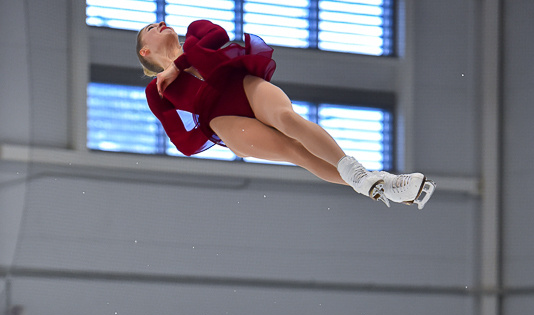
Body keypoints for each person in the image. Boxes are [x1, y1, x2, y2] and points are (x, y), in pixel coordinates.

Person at [136, 19, 435, 209]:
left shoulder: (196, 33)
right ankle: (380, 184)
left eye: (159, 22)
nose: (160, 23)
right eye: (150, 29)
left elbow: (218, 34)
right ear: (145, 53)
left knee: (289, 120)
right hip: (223, 120)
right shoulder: (157, 92)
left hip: (241, 85)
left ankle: (361, 175)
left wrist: (179, 64)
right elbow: (185, 144)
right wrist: (206, 122)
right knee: (296, 152)